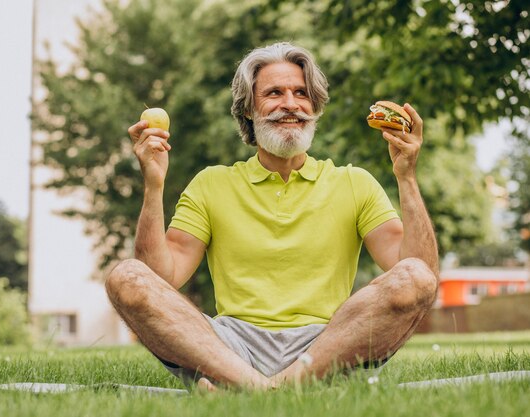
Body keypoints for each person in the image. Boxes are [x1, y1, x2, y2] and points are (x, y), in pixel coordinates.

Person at [106, 42, 439, 391]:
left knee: (414, 276)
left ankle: (249, 391)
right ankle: (271, 387)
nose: (290, 104)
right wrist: (153, 185)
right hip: (229, 348)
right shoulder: (211, 184)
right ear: (248, 109)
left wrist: (407, 177)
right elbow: (158, 280)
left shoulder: (354, 183)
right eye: (274, 93)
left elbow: (420, 274)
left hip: (326, 345)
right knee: (127, 277)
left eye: (301, 93)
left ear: (315, 106)